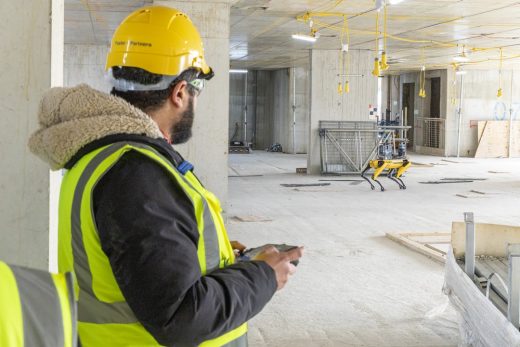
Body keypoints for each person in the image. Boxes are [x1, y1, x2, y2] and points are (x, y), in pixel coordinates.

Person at [28, 5, 303, 347]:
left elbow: (136, 263)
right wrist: (264, 275)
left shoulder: (105, 157)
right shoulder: (135, 173)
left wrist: (206, 251)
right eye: (195, 94)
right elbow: (180, 318)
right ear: (179, 92)